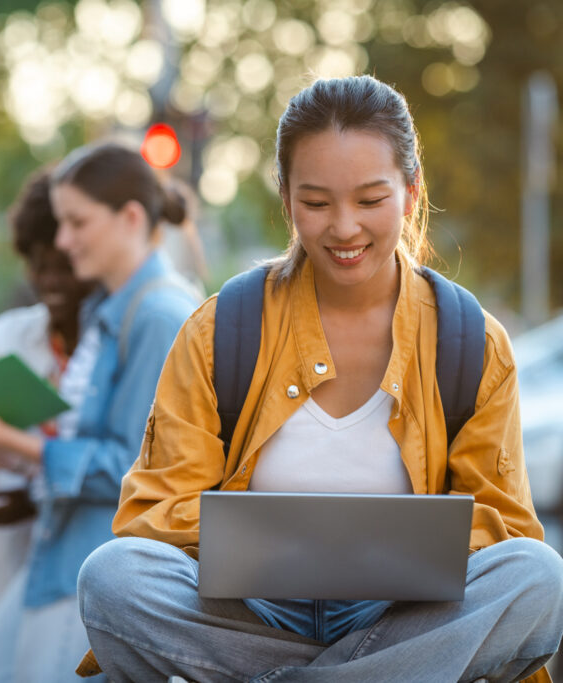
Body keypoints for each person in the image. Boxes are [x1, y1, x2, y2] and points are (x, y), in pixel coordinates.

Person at [75, 75, 563, 683]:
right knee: (112, 577)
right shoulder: (220, 328)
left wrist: (388, 552)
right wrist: (280, 544)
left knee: (538, 576)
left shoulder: (471, 339)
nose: (344, 228)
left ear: (410, 193)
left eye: (369, 199)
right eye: (316, 202)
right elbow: (152, 513)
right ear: (285, 198)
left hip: (405, 614)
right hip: (249, 612)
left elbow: (505, 525)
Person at [0, 142, 201, 683]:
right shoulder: (112, 309)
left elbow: (135, 473)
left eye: (76, 222)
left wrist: (12, 442)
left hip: (98, 572)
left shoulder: (159, 318)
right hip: (63, 559)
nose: (63, 240)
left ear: (130, 218)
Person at [0, 168, 93, 616]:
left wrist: (42, 482)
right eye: (37, 264)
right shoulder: (10, 337)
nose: (49, 279)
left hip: (91, 558)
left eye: (63, 265)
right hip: (18, 558)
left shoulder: (123, 338)